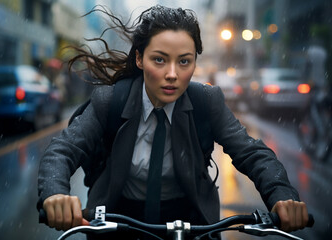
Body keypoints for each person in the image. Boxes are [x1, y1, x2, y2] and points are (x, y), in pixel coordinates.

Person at [37, 4, 309, 239]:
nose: (172, 74)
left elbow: (251, 152)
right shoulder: (109, 100)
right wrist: (54, 194)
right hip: (117, 219)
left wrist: (282, 196)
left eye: (184, 62)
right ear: (139, 59)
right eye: (159, 60)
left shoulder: (207, 101)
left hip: (189, 221)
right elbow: (63, 150)